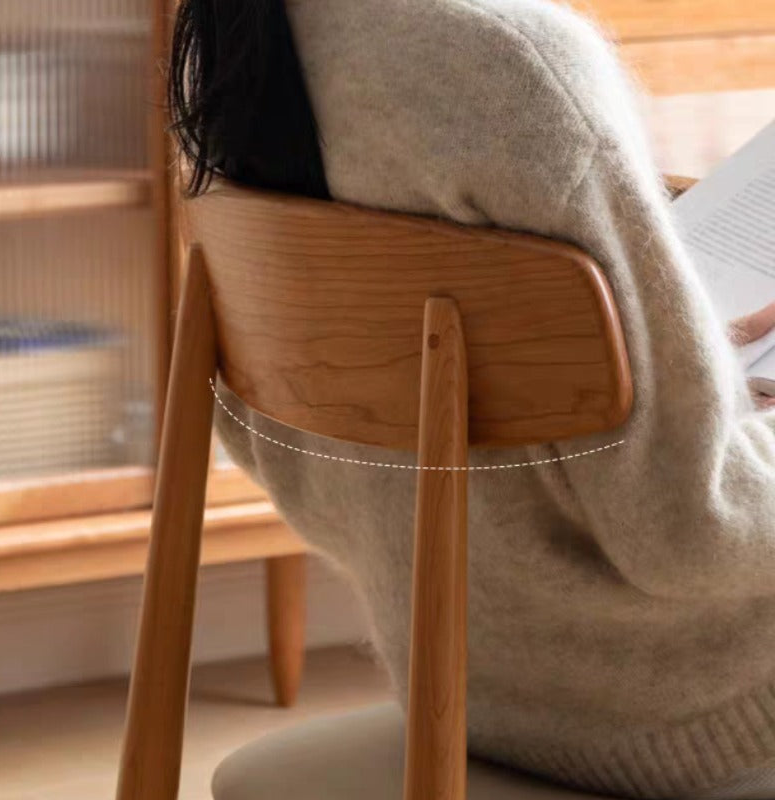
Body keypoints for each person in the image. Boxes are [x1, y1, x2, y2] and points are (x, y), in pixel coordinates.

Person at [168, 1, 775, 798]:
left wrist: (678, 367)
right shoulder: (517, 59)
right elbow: (690, 527)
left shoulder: (238, 41)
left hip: (464, 679)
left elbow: (285, 446)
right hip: (689, 702)